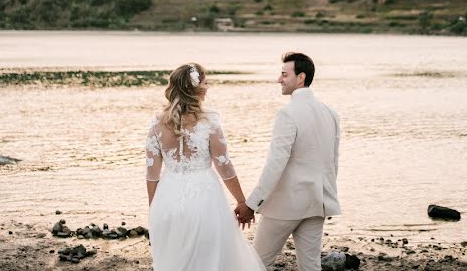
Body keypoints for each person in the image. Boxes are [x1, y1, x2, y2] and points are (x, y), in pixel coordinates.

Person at [146, 63, 264, 271]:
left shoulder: (157, 124)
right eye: (205, 82)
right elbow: (224, 166)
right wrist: (241, 201)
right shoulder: (209, 121)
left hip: (167, 198)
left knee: (174, 261)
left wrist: (154, 210)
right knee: (209, 258)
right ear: (196, 88)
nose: (208, 87)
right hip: (204, 198)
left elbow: (152, 174)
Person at [235, 52, 341, 271]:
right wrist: (325, 196)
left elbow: (275, 164)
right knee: (311, 266)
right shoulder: (331, 113)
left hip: (285, 206)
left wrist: (252, 204)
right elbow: (332, 163)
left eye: (284, 74)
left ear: (300, 77)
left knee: (255, 263)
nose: (279, 79)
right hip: (317, 202)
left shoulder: (288, 113)